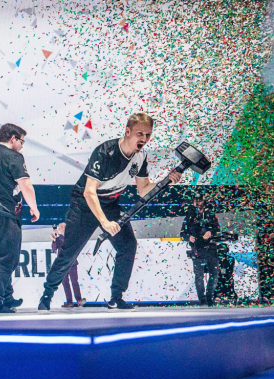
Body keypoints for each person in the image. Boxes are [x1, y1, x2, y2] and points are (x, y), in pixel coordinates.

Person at [38, 112, 182, 311]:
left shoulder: (141, 156)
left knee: (128, 245)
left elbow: (143, 189)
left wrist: (167, 181)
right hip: (85, 203)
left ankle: (116, 297)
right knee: (69, 252)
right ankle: (47, 295)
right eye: (140, 134)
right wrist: (105, 222)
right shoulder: (105, 152)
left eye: (148, 135)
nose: (144, 139)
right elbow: (89, 192)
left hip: (110, 203)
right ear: (128, 131)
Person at [0, 123, 40, 313]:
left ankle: (6, 297)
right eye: (21, 141)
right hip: (4, 213)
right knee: (7, 259)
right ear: (13, 139)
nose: (22, 146)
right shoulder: (13, 156)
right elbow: (25, 184)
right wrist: (34, 207)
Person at [180, 193, 220, 307]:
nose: (197, 203)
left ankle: (209, 297)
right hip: (197, 248)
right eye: (195, 201)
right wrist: (189, 237)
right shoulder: (189, 217)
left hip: (211, 248)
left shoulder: (211, 215)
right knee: (199, 275)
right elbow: (182, 234)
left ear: (204, 201)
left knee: (214, 273)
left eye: (200, 200)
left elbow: (218, 230)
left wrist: (210, 232)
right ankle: (202, 300)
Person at [51, 223, 85, 308]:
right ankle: (69, 302)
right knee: (65, 282)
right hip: (62, 264)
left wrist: (58, 237)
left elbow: (66, 245)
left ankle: (79, 300)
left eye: (64, 227)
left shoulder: (71, 237)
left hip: (72, 262)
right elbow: (54, 248)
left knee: (74, 281)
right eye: (61, 227)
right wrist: (54, 240)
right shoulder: (58, 238)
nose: (62, 228)